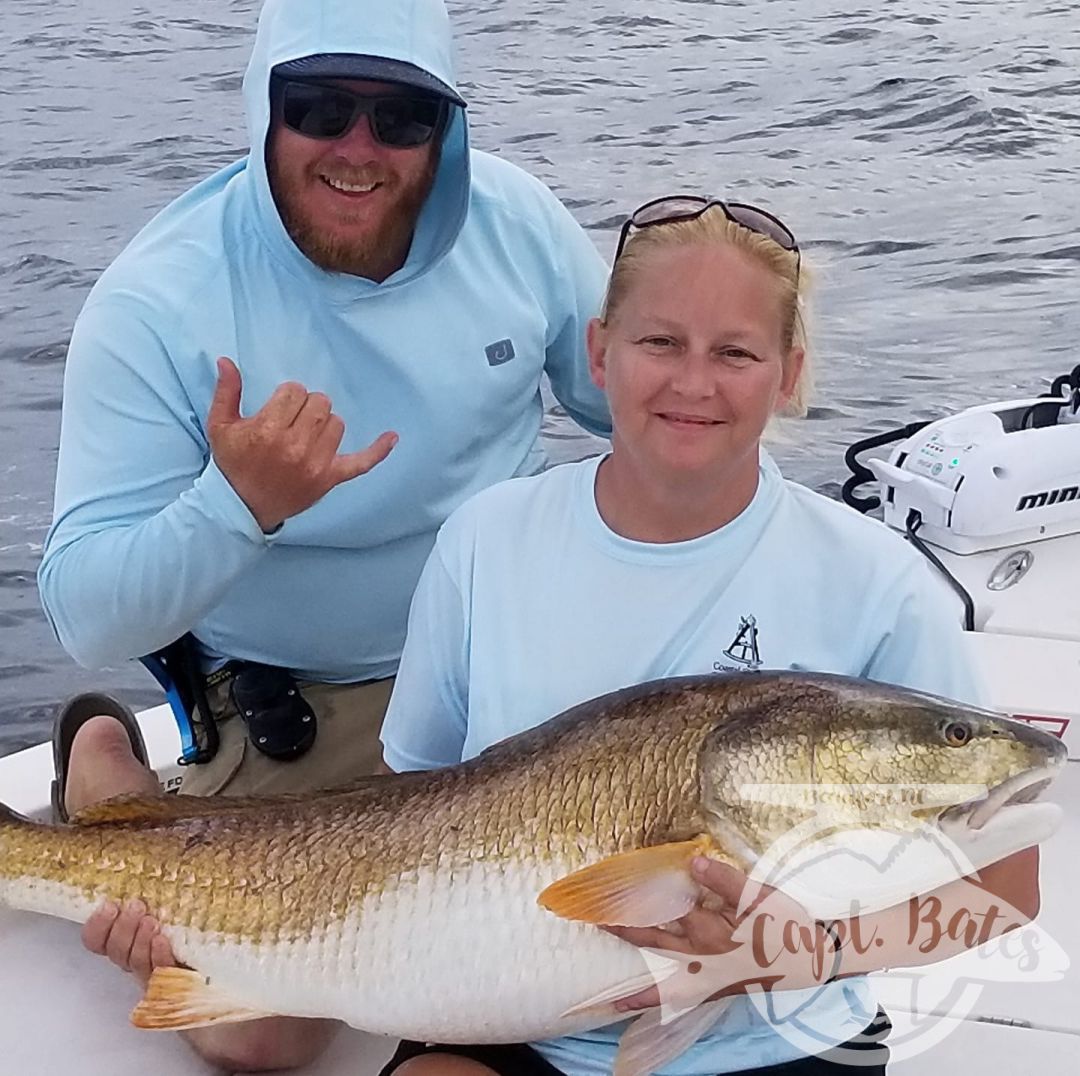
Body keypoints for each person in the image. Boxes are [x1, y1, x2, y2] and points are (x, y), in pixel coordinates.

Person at [36, 0, 609, 1068]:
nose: (358, 147)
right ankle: (106, 772)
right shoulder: (157, 299)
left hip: (518, 676)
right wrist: (236, 503)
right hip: (311, 698)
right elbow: (85, 610)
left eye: (401, 117)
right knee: (264, 1029)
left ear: (446, 131)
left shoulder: (523, 229)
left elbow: (653, 407)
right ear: (265, 109)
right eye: (320, 106)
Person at [375, 196, 1042, 1075]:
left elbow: (1003, 891)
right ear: (598, 353)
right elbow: (416, 794)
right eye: (660, 343)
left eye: (734, 352)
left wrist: (784, 955)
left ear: (787, 374)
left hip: (777, 1040)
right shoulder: (485, 539)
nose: (694, 382)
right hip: (514, 1016)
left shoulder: (875, 580)